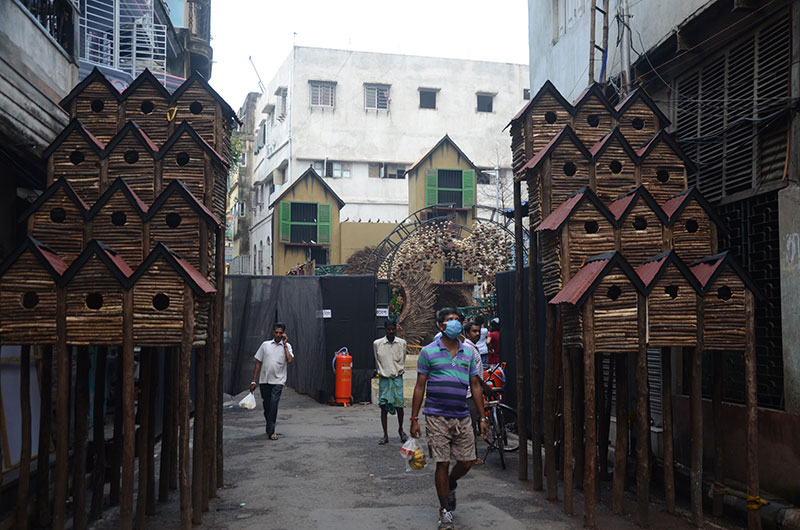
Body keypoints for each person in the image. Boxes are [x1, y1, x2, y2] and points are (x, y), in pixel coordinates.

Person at [410, 308, 488, 530]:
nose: (454, 323)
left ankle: (451, 482)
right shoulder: (428, 352)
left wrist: (482, 417)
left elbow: (474, 384)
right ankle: (445, 511)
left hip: (462, 415)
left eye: (457, 320)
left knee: (466, 461)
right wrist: (414, 418)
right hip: (436, 415)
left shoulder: (469, 353)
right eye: (449, 320)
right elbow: (420, 385)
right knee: (441, 462)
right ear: (440, 326)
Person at [249, 322, 294, 440]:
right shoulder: (265, 345)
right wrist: (253, 381)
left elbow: (289, 360)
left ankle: (271, 431)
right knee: (267, 406)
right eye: (276, 332)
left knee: (274, 404)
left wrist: (284, 345)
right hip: (265, 380)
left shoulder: (287, 346)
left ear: (283, 334)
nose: (278, 335)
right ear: (273, 332)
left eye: (280, 333)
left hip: (278, 381)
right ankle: (269, 424)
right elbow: (258, 363)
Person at [373, 318, 408, 444]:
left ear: (396, 329)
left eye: (393, 329)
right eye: (389, 329)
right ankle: (385, 435)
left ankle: (401, 430)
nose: (391, 331)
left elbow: (403, 359)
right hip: (384, 378)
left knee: (399, 406)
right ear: (385, 329)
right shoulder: (377, 344)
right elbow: (377, 360)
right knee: (383, 407)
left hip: (397, 377)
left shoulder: (402, 343)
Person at [462, 319, 486, 465]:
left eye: (478, 331)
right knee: (470, 427)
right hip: (470, 393)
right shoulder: (468, 348)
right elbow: (473, 374)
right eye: (474, 331)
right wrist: (484, 386)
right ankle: (470, 457)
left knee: (472, 425)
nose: (477, 334)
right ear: (467, 333)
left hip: (473, 392)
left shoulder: (473, 347)